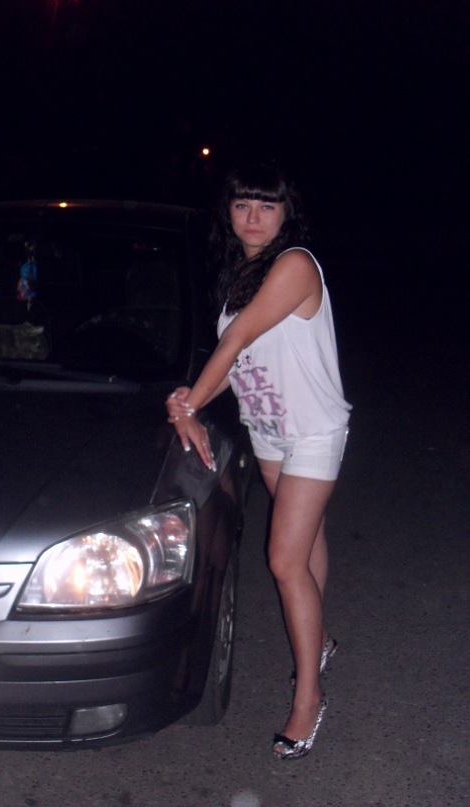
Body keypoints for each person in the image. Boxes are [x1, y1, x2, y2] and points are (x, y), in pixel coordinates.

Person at [166, 163, 351, 760]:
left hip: (314, 432)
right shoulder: (241, 275)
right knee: (308, 539)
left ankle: (309, 698)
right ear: (229, 211)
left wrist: (190, 403)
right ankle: (319, 638)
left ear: (285, 214)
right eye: (243, 204)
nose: (253, 216)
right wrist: (191, 397)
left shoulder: (294, 264)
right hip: (268, 431)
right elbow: (240, 361)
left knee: (283, 560)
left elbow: (237, 338)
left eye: (266, 206)